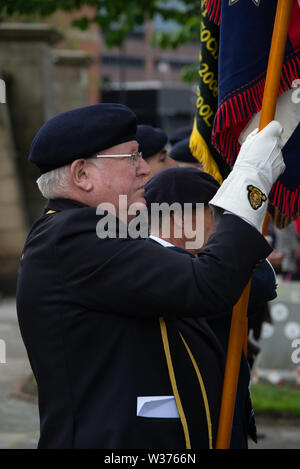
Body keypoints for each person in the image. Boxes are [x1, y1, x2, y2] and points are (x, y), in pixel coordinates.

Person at [16, 102, 284, 449]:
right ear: (81, 175)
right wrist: (251, 181)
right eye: (130, 158)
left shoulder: (84, 232)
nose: (144, 169)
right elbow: (207, 285)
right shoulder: (75, 235)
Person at [144, 167, 277, 448]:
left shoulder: (154, 261)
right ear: (179, 220)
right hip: (195, 427)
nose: (217, 229)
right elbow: (262, 279)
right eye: (211, 215)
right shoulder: (172, 269)